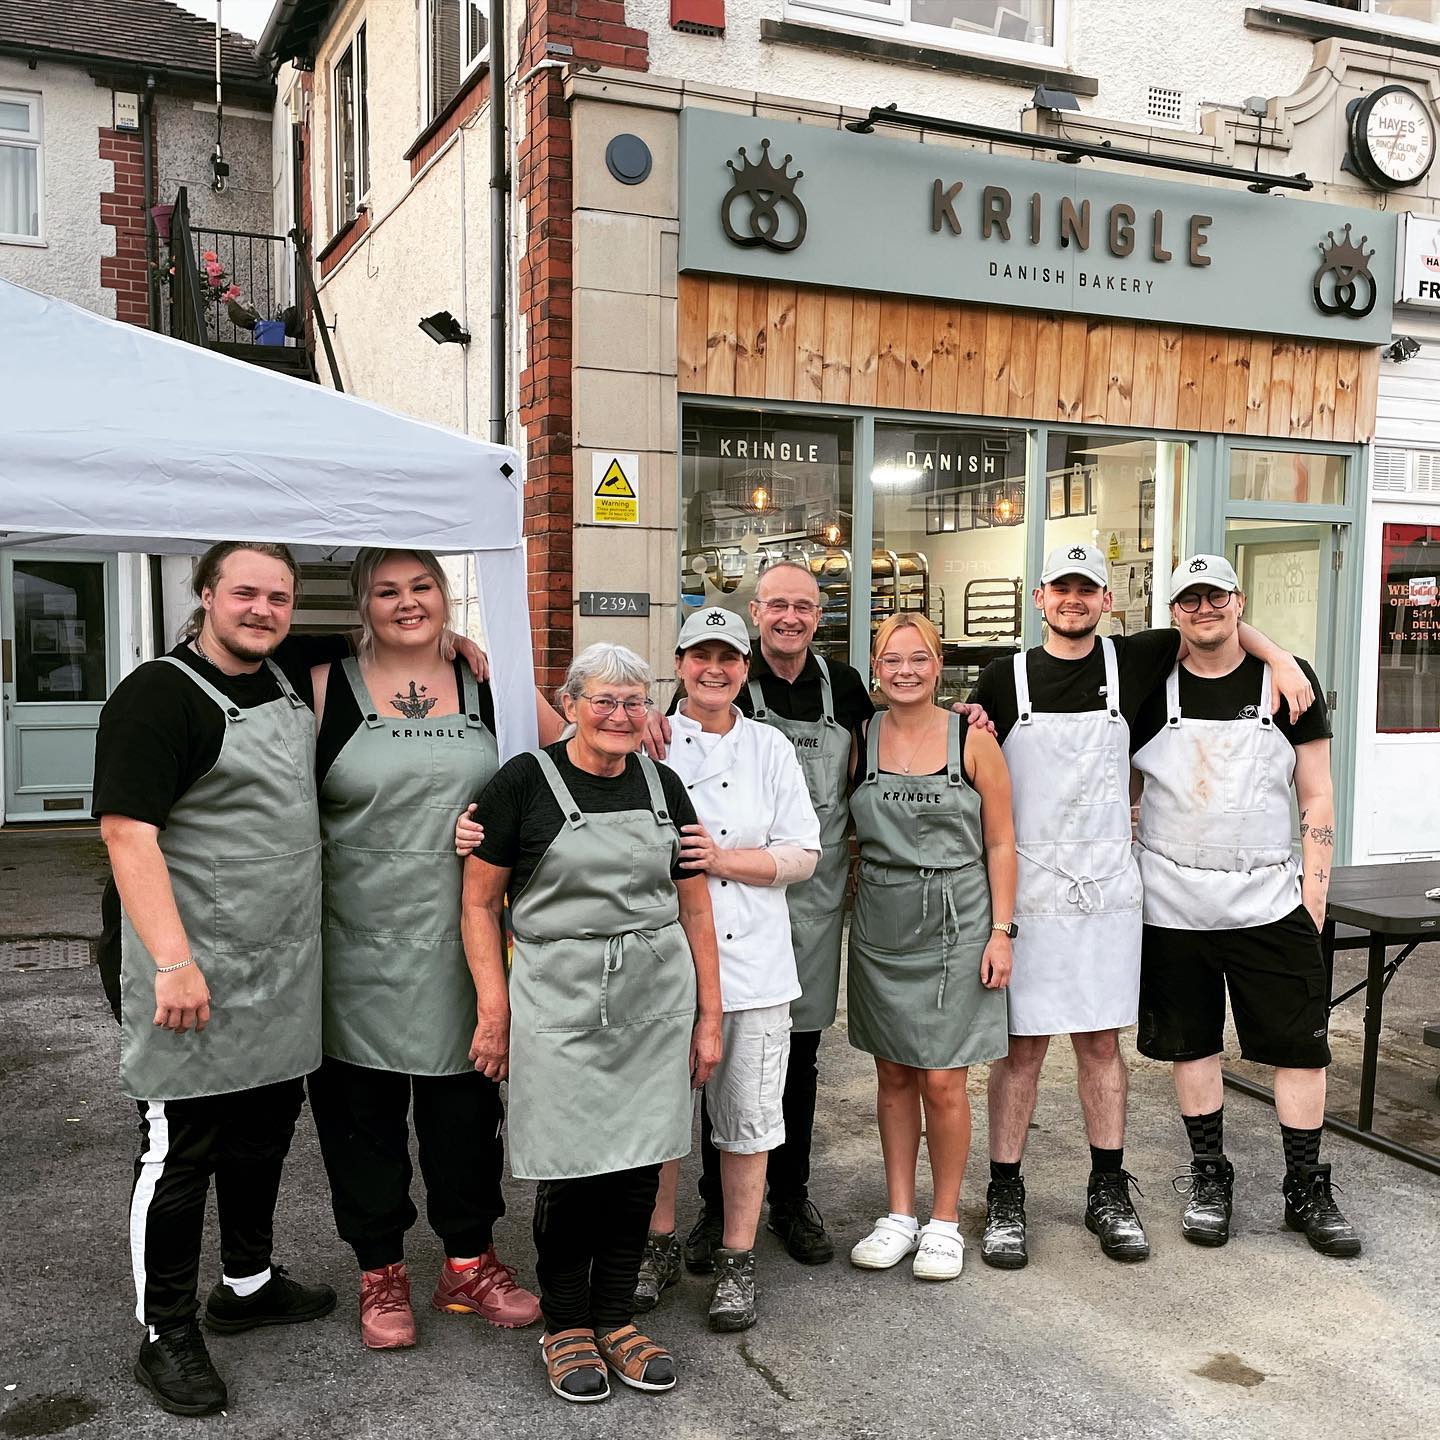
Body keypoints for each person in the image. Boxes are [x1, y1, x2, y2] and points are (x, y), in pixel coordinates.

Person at [969, 544, 1316, 1269]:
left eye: (1086, 589)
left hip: (1106, 894)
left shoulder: (1136, 662)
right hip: (1028, 892)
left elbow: (1218, 624)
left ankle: (1107, 1188)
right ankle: (1006, 1192)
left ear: (1107, 602)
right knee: (1023, 1051)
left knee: (1101, 1045)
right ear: (1040, 598)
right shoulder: (1004, 679)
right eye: (1061, 588)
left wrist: (1281, 660)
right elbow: (976, 778)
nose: (1073, 600)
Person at [94, 542, 336, 1418]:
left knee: (262, 1132)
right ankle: (164, 1332)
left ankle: (246, 1281)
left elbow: (399, 648)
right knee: (180, 1149)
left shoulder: (282, 680)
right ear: (205, 597)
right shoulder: (159, 694)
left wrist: (470, 648)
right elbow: (128, 834)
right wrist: (173, 961)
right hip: (187, 967)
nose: (262, 609)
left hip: (278, 963)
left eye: (278, 596)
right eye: (244, 592)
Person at [306, 549, 565, 1349]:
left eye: (423, 588)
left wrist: (651, 716)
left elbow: (581, 755)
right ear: (363, 605)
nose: (407, 603)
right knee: (362, 1119)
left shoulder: (493, 685)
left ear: (447, 599)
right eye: (387, 591)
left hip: (467, 946)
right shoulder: (320, 690)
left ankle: (468, 1262)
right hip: (354, 948)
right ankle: (379, 1271)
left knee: (463, 1115)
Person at [461, 643, 724, 1404]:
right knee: (573, 1172)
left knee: (640, 1165)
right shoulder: (523, 783)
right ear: (570, 703)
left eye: (634, 702)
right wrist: (493, 1011)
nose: (619, 716)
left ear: (650, 711)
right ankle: (566, 1324)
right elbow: (479, 904)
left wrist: (709, 1016)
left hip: (653, 1003)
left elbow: (696, 905)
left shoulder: (662, 783)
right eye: (603, 700)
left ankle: (615, 1318)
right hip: (558, 1001)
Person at [1131, 554, 1359, 1258]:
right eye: (1191, 599)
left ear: (1240, 600)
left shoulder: (1287, 683)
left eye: (1217, 597)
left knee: (1299, 1050)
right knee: (1191, 1044)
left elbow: (1317, 790)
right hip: (1173, 903)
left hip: (1270, 899)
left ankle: (1306, 1187)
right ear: (1173, 612)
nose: (1205, 609)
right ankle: (1209, 1176)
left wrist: (1313, 892)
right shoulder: (1148, 687)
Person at [636, 606, 821, 1332]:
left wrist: (720, 860)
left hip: (753, 969)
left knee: (746, 1120)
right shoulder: (646, 739)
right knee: (659, 1123)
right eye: (699, 655)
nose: (714, 669)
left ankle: (738, 1257)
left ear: (746, 670)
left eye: (729, 658)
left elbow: (804, 854)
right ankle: (657, 1245)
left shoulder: (770, 747)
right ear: (678, 664)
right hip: (662, 964)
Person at [846, 614, 1016, 1283]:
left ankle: (943, 1221)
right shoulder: (859, 738)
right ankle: (898, 1214)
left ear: (938, 664)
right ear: (875, 666)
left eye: (919, 659)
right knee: (892, 1074)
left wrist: (1003, 932)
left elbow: (1002, 841)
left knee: (944, 1079)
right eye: (892, 659)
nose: (906, 670)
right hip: (883, 924)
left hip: (959, 921)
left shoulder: (971, 740)